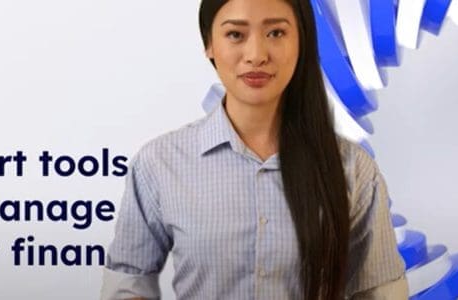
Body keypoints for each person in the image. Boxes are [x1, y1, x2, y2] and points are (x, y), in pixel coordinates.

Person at [100, 0, 407, 299]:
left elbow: (381, 291)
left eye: (276, 33)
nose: (256, 55)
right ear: (209, 43)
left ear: (301, 41)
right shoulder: (159, 163)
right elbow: (128, 282)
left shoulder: (352, 168)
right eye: (236, 34)